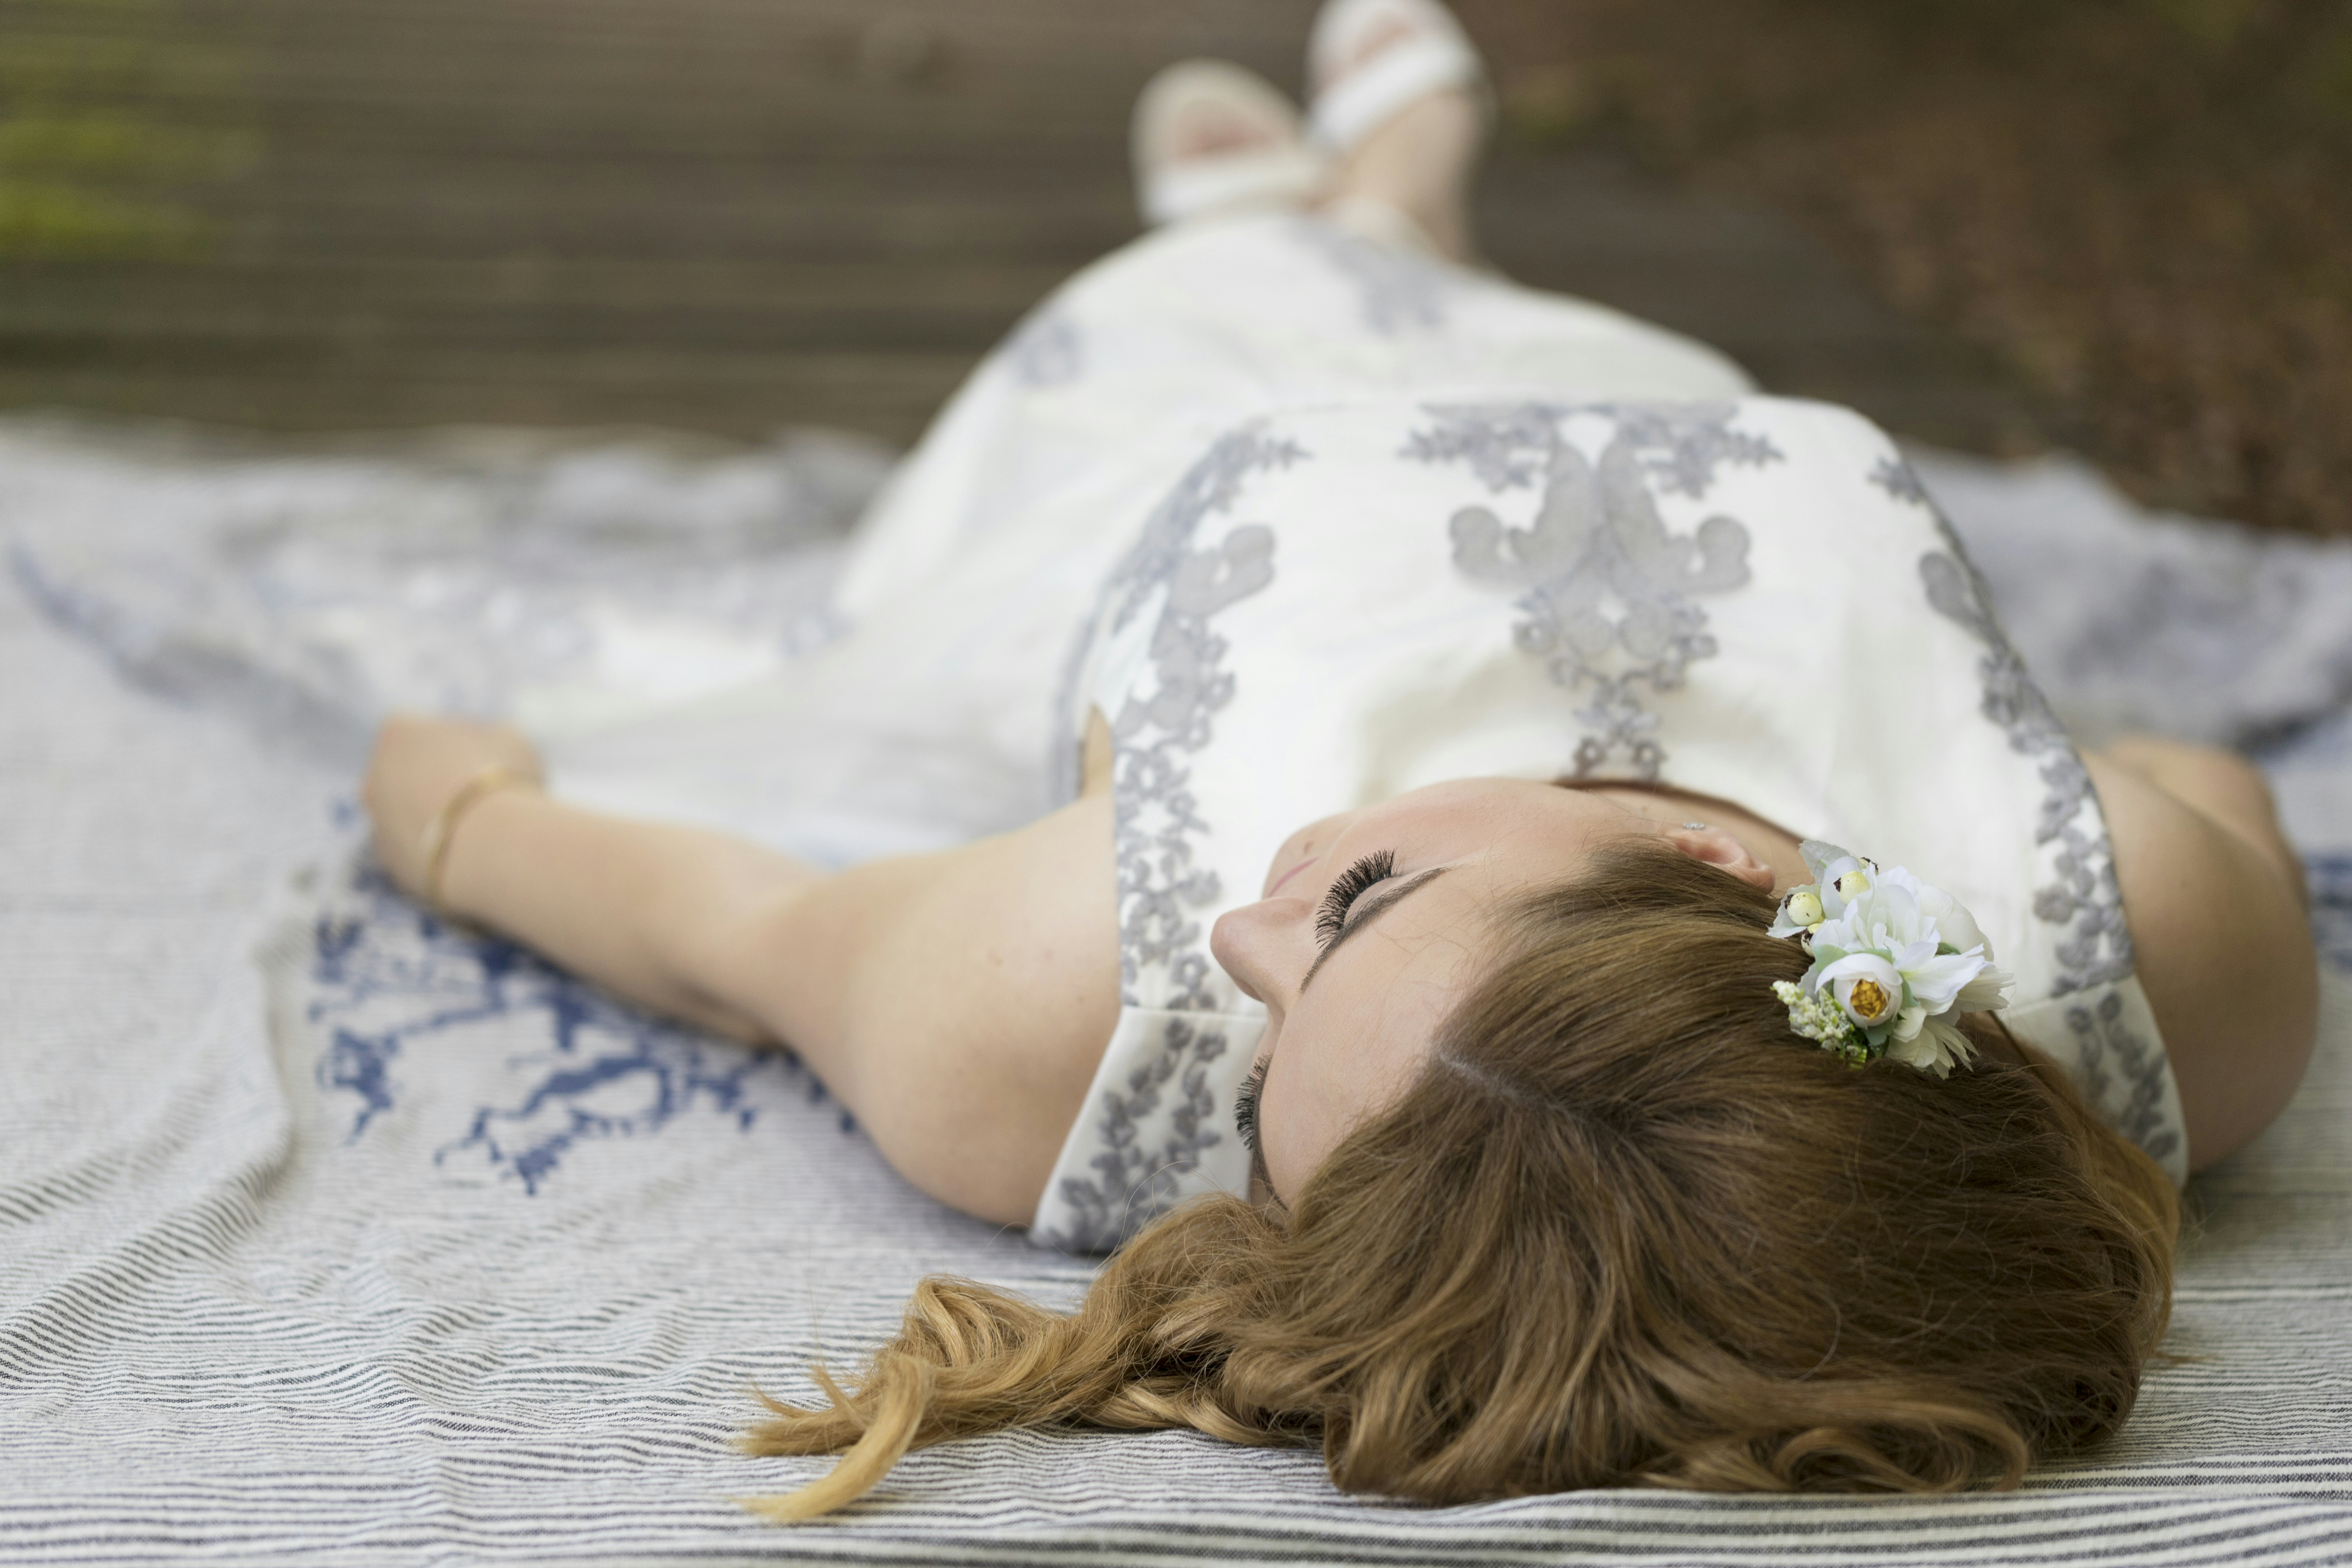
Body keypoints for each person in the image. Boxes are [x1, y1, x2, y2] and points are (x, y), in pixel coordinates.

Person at [362, 0, 2317, 1517]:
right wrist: (2027, 745)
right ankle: (1400, 219)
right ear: (1734, 874)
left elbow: (736, 928)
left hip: (1194, 459)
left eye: (1264, 1055)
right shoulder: (2159, 965)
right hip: (1636, 413)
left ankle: (1318, 230)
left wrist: (465, 822)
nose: (1234, 932)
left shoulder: (1056, 996)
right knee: (1456, 310)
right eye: (1358, 908)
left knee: (1206, 308)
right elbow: (2191, 781)